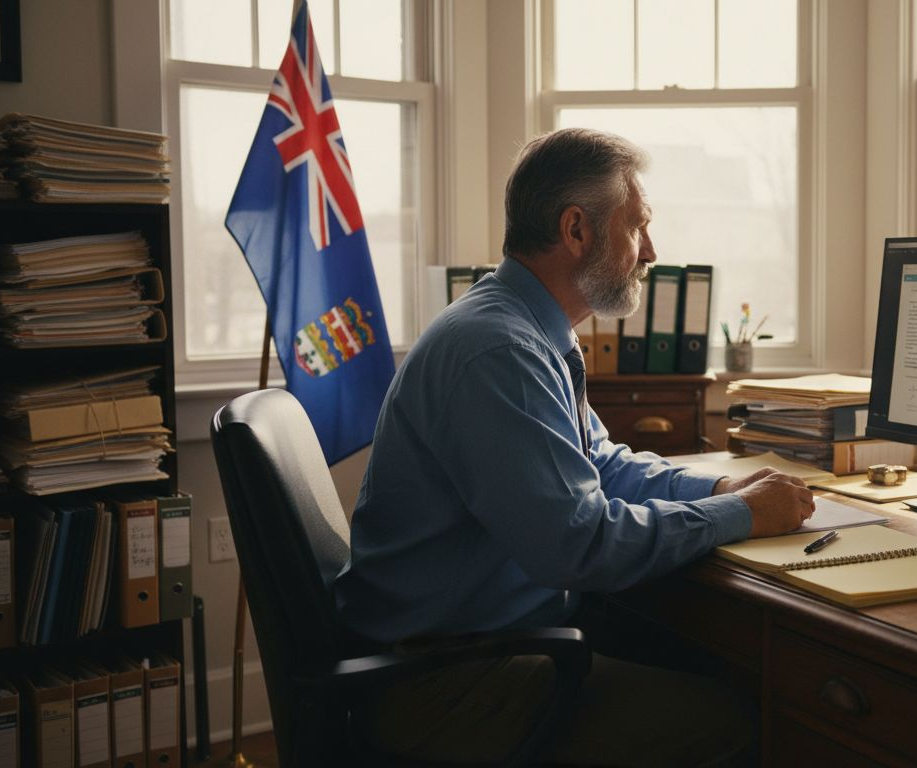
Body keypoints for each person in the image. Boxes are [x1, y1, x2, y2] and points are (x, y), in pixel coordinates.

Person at [334, 127, 815, 765]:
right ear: (576, 231)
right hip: (446, 684)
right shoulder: (500, 350)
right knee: (736, 717)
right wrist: (743, 515)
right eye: (637, 226)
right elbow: (579, 543)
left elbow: (601, 465)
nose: (650, 251)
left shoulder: (521, 327)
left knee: (703, 658)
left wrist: (722, 488)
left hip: (477, 648)